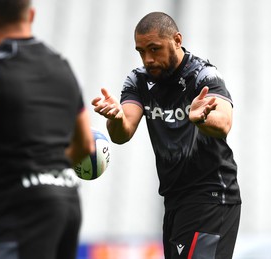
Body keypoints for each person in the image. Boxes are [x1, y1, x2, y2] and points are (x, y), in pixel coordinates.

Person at [92, 11, 242, 259]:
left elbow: (224, 122)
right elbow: (122, 133)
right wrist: (116, 119)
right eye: (141, 51)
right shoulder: (138, 80)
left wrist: (201, 119)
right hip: (174, 200)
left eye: (154, 49)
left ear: (177, 40)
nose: (148, 59)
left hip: (212, 195)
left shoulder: (203, 76)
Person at [0, 0, 95, 258]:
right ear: (31, 14)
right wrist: (49, 172)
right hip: (68, 203)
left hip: (24, 210)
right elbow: (86, 144)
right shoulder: (63, 68)